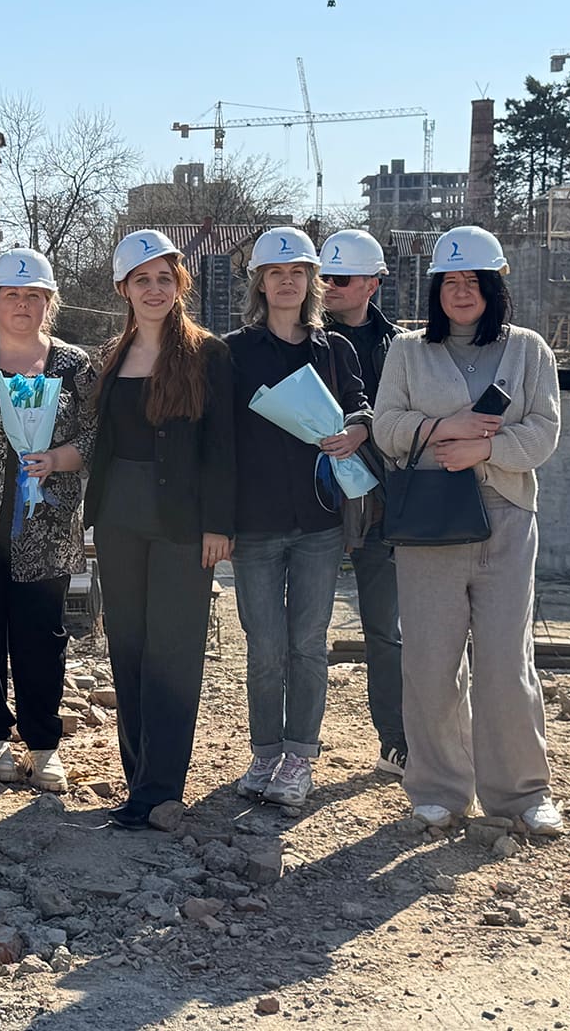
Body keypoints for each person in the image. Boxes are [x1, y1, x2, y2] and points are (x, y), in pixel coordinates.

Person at [372, 225, 565, 835]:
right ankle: (437, 788)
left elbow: (543, 432)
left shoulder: (529, 350)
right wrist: (445, 428)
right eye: (449, 281)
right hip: (430, 523)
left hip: (505, 518)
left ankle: (521, 793)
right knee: (431, 660)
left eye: (472, 280)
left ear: (493, 286)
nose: (461, 291)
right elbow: (386, 427)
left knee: (507, 660)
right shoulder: (408, 351)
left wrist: (482, 450)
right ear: (435, 289)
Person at [84, 229, 235, 830]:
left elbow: (223, 446)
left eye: (164, 279)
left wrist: (218, 524)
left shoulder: (208, 354)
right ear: (123, 288)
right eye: (142, 280)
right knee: (128, 646)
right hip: (118, 519)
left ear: (180, 285)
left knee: (173, 652)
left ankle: (159, 788)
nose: (154, 289)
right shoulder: (110, 357)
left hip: (182, 522)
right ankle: (137, 779)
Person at [0, 249, 98, 793]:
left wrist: (59, 459)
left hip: (44, 533)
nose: (22, 304)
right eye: (12, 295)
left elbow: (101, 433)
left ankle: (44, 745)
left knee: (40, 639)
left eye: (34, 296)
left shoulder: (73, 366)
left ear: (50, 302)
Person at [223, 227, 370, 809]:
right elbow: (217, 437)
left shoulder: (335, 350)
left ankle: (300, 756)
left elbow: (361, 406)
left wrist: (356, 430)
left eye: (298, 272)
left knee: (308, 643)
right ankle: (265, 752)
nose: (287, 281)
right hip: (254, 524)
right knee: (264, 646)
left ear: (312, 281)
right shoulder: (232, 353)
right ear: (259, 282)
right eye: (276, 272)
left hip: (319, 524)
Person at [319, 228, 410, 777]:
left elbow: (410, 420)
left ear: (372, 284)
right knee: (300, 632)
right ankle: (289, 747)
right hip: (313, 501)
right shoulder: (302, 338)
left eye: (341, 277)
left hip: (380, 504)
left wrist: (366, 429)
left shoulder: (402, 348)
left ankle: (396, 743)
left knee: (384, 629)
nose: (328, 285)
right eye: (324, 276)